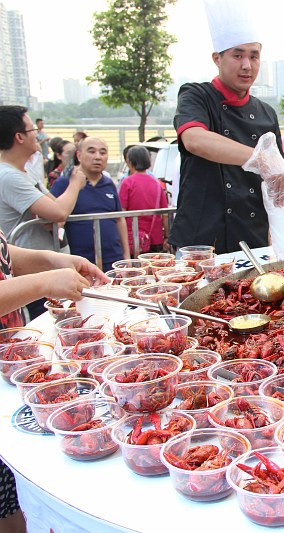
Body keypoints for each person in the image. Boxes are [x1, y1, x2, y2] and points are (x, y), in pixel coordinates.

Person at [0, 226, 108, 533]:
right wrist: (44, 282)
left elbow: (5, 255)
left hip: (10, 360)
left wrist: (52, 260)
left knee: (11, 495)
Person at [170, 0, 283, 254]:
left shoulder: (267, 114)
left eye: (254, 56)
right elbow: (195, 140)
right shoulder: (196, 95)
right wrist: (260, 159)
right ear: (217, 58)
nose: (247, 65)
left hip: (252, 239)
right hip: (201, 241)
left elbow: (276, 180)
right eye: (237, 55)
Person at [0, 106, 86, 253]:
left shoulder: (25, 172)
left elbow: (56, 209)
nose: (37, 135)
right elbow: (60, 211)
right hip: (32, 262)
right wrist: (76, 183)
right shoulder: (8, 177)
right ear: (19, 137)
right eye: (32, 129)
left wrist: (53, 217)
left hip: (48, 258)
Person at [51, 137, 130, 271]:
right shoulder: (64, 183)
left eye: (102, 152)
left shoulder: (109, 184)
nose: (98, 157)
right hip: (79, 262)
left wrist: (126, 255)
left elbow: (119, 219)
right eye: (91, 151)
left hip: (113, 259)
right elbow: (53, 219)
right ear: (79, 155)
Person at [118, 146, 169, 255]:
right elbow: (165, 215)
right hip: (155, 237)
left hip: (133, 239)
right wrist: (167, 236)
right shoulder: (157, 184)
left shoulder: (127, 182)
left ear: (130, 162)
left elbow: (121, 212)